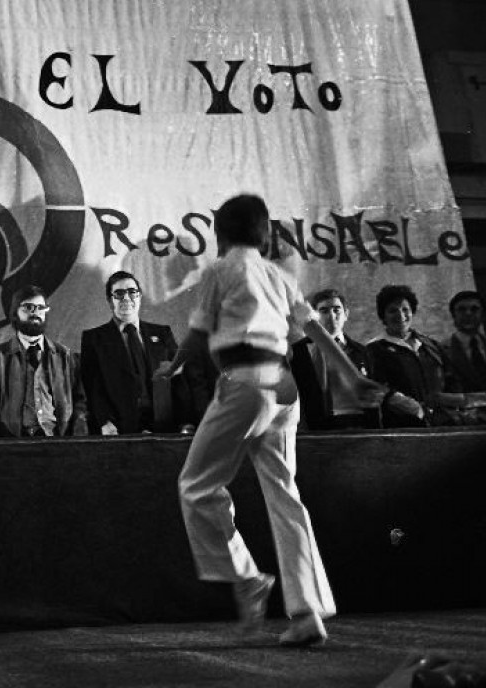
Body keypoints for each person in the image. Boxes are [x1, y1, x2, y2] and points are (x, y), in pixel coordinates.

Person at [158, 194, 383, 647]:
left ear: (220, 234)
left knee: (196, 485)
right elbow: (315, 331)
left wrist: (172, 366)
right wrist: (352, 375)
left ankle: (245, 577)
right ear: (262, 234)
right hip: (284, 387)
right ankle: (307, 612)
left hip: (245, 383)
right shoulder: (279, 275)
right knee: (285, 495)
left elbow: (198, 336)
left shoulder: (221, 270)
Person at [81, 270, 200, 434]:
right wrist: (105, 422)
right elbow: (92, 388)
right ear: (109, 300)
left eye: (132, 292)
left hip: (164, 428)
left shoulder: (163, 334)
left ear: (140, 296)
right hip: (118, 431)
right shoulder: (94, 339)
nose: (126, 298)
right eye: (119, 294)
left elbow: (179, 381)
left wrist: (186, 422)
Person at [367, 285, 486, 428]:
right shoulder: (374, 349)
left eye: (405, 309)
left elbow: (451, 381)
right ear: (383, 316)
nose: (400, 315)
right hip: (403, 427)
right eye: (393, 310)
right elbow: (376, 388)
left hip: (443, 424)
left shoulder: (431, 345)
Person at [0, 285, 87, 438]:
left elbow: (80, 401)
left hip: (57, 440)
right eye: (28, 307)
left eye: (41, 308)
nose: (35, 312)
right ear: (15, 312)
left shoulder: (64, 356)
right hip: (13, 441)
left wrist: (79, 437)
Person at [289, 288, 377, 430]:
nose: (331, 315)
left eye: (337, 310)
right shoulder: (299, 350)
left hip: (359, 423)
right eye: (324, 311)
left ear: (346, 314)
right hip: (319, 424)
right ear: (314, 316)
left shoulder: (362, 351)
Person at [442, 290, 486, 424]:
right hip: (466, 421)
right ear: (453, 315)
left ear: (482, 314)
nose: (468, 313)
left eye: (474, 309)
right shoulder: (441, 351)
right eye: (462, 309)